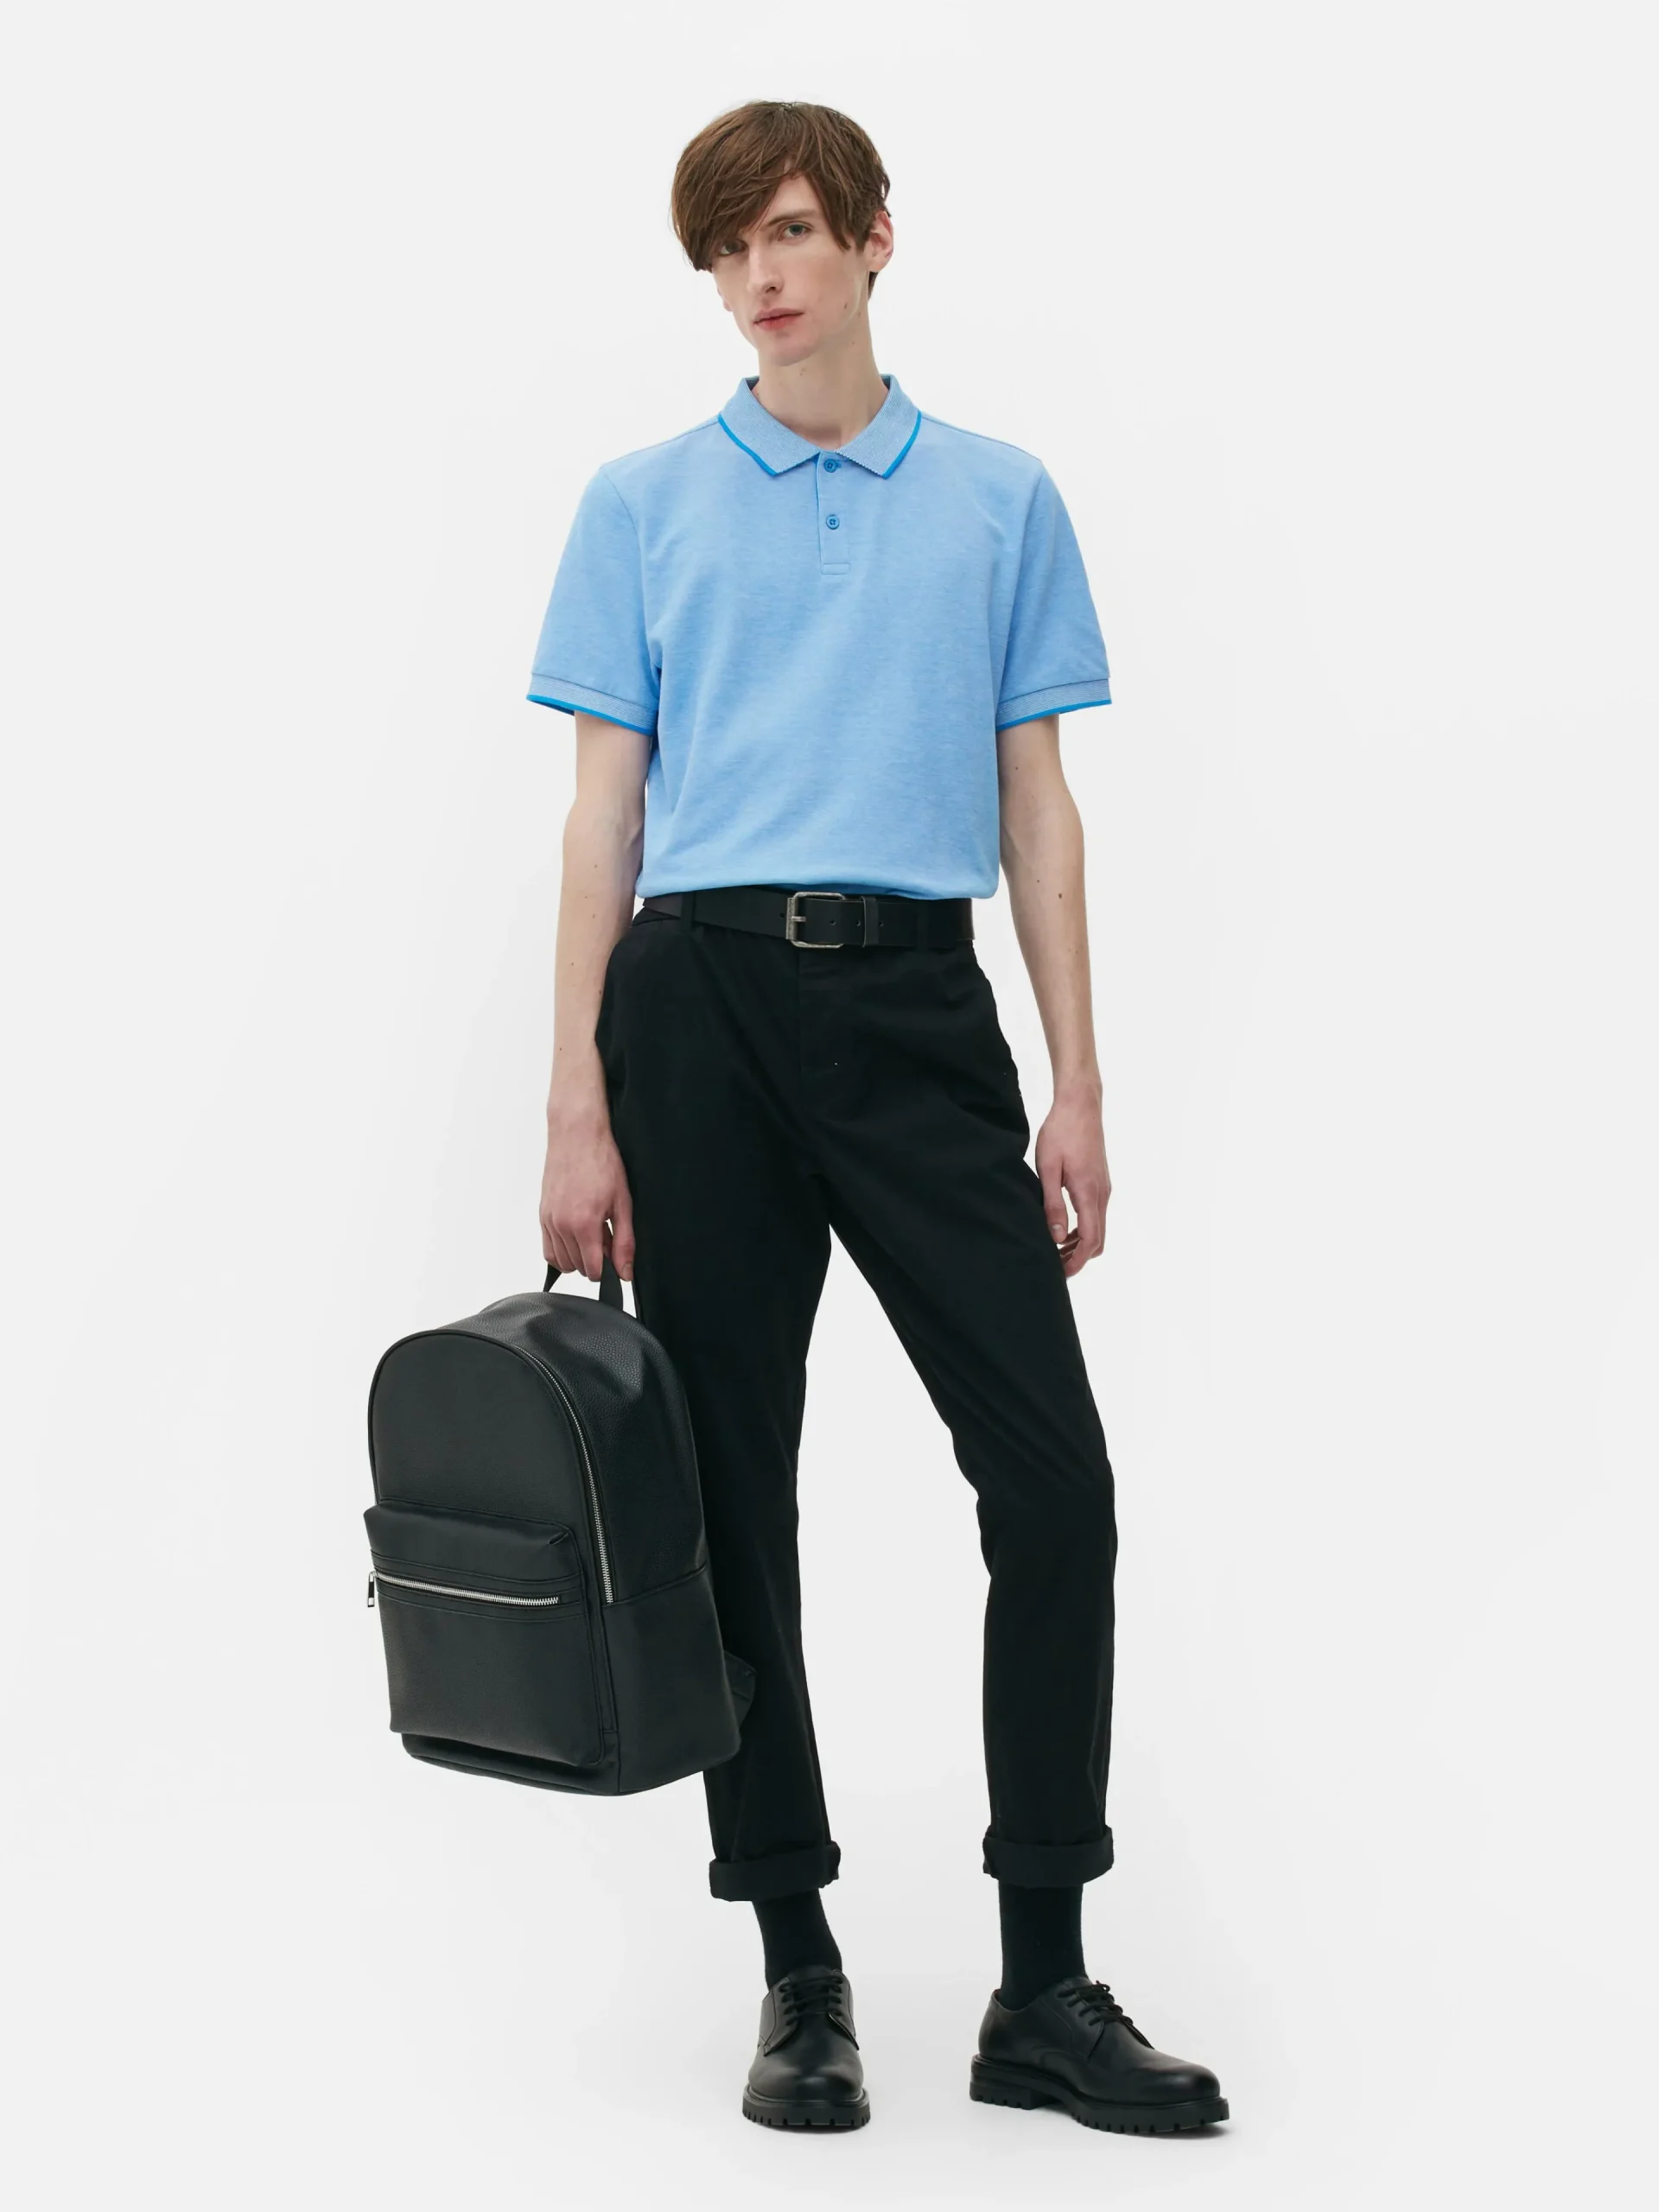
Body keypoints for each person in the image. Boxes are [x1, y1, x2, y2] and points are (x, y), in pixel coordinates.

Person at [530, 99, 1226, 2138]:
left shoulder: (1000, 498)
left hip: (921, 1007)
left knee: (1054, 1481)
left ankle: (1045, 1982)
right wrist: (577, 1102)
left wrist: (1077, 1073)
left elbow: (1038, 806)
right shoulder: (640, 502)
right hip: (698, 1008)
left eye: (791, 232)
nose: (760, 277)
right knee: (734, 1493)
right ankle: (798, 1967)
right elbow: (600, 818)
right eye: (727, 248)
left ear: (872, 240)